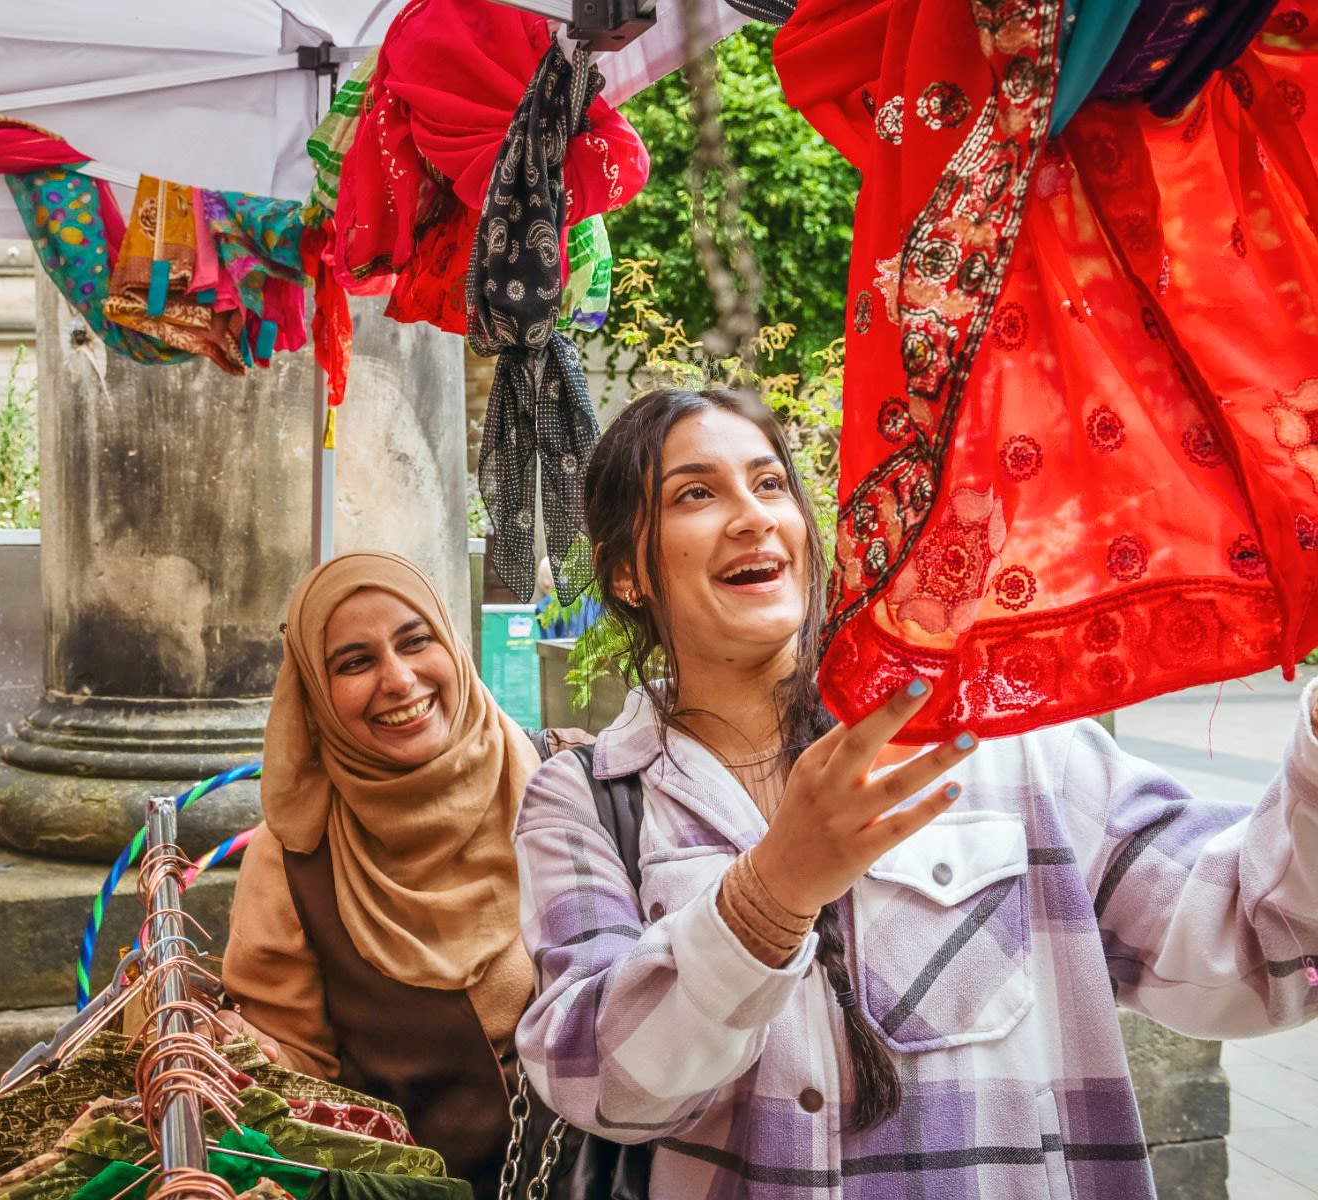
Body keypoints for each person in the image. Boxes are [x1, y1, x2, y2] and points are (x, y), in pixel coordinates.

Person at [512, 387, 1318, 1197]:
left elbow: (1259, 940)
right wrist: (770, 894)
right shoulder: (581, 802)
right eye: (696, 493)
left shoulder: (992, 742)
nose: (754, 517)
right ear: (626, 574)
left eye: (770, 484)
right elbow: (603, 1085)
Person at [221, 551, 556, 1198]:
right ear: (315, 695)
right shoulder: (296, 856)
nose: (400, 680)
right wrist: (238, 1050)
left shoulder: (562, 785)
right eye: (355, 662)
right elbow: (293, 1081)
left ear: (452, 645)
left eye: (415, 641)